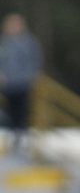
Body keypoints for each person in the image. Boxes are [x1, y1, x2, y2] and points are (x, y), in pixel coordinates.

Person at [0, 12, 41, 152]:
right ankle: (12, 137)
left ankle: (23, 139)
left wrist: (30, 78)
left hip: (23, 84)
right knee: (9, 112)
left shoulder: (28, 42)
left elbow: (34, 61)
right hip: (7, 85)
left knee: (23, 111)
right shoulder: (4, 42)